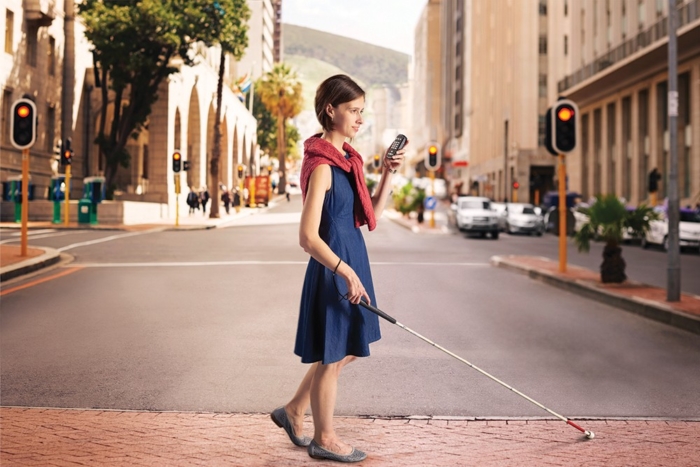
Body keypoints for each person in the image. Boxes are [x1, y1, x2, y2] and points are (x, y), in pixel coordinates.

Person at [269, 74, 406, 463]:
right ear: (331, 110)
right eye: (353, 110)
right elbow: (308, 236)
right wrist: (344, 271)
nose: (360, 119)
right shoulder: (323, 167)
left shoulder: (348, 162)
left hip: (351, 260)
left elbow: (370, 214)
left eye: (363, 111)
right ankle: (324, 438)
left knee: (345, 349)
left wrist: (389, 171)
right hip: (334, 268)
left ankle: (294, 410)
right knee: (333, 356)